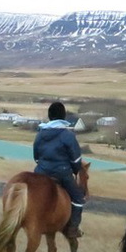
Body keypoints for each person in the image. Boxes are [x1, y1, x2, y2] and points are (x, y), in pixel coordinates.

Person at [33, 102, 86, 238]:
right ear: (63, 116)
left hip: (41, 172)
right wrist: (75, 171)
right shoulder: (68, 135)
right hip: (62, 173)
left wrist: (43, 166)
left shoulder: (40, 133)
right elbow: (75, 160)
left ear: (49, 116)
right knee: (78, 197)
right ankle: (73, 228)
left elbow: (36, 156)